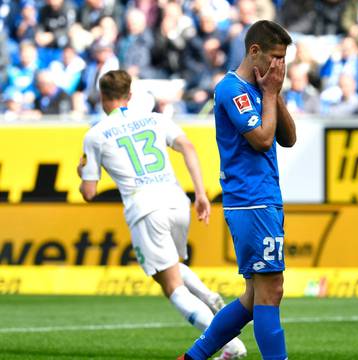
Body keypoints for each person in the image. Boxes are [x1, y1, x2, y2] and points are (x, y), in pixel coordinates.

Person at [77, 70, 247, 359]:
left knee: (171, 286)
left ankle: (230, 344)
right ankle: (208, 297)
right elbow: (188, 147)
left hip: (145, 209)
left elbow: (89, 192)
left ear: (101, 97)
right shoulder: (156, 119)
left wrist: (82, 172)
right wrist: (201, 194)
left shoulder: (95, 135)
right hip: (177, 200)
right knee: (169, 266)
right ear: (129, 95)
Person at [179, 20, 295, 360]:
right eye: (275, 57)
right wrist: (270, 94)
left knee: (252, 298)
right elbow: (261, 140)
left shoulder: (263, 88)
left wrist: (275, 93)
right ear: (254, 51)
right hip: (251, 201)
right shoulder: (231, 89)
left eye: (284, 59)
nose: (279, 66)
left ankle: (194, 356)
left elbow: (288, 138)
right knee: (271, 291)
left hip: (263, 198)